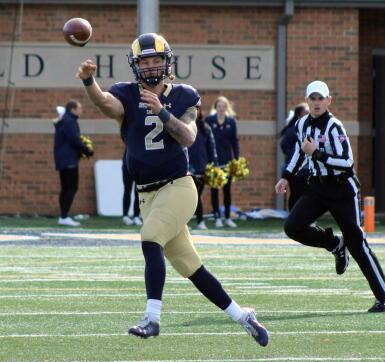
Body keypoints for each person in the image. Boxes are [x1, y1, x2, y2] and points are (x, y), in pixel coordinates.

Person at [76, 32, 268, 345]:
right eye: (145, 61)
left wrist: (162, 112)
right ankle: (242, 316)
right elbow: (106, 105)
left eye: (156, 60)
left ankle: (152, 318)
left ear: (167, 62)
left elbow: (189, 136)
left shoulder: (184, 95)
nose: (151, 66)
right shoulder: (126, 93)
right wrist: (89, 82)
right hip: (147, 196)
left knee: (150, 237)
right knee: (192, 268)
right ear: (136, 65)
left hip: (179, 187)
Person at [275, 80, 385, 312]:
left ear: (329, 100)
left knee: (357, 243)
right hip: (317, 187)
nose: (317, 102)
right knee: (293, 226)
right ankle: (335, 245)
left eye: (321, 98)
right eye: (313, 98)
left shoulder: (334, 126)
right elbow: (300, 154)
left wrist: (317, 153)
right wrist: (286, 176)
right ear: (307, 101)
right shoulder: (301, 124)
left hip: (342, 189)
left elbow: (347, 163)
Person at [53, 99, 93, 227]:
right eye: (79, 108)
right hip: (68, 160)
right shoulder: (69, 121)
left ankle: (63, 216)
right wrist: (87, 150)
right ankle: (64, 216)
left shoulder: (66, 120)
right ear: (73, 109)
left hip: (64, 159)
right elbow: (74, 139)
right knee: (71, 188)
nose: (81, 110)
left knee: (66, 189)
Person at [206, 96, 239, 228]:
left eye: (223, 106)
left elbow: (234, 142)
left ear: (226, 108)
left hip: (227, 160)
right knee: (214, 190)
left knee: (227, 190)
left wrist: (236, 158)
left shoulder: (231, 122)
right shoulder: (209, 121)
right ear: (215, 107)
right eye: (219, 106)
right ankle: (217, 217)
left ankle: (227, 217)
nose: (221, 108)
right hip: (213, 161)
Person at [189, 108, 218, 230]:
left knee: (196, 195)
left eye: (196, 110)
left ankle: (200, 221)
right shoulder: (182, 125)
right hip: (186, 167)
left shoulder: (205, 128)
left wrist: (213, 165)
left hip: (202, 168)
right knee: (189, 195)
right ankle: (186, 222)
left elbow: (212, 148)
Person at [280, 102, 309, 210]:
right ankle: (292, 215)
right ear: (299, 115)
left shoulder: (310, 129)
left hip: (308, 168)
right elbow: (284, 144)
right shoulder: (293, 130)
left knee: (307, 195)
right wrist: (293, 157)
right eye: (305, 112)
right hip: (296, 169)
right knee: (296, 193)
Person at [121, 148, 142, 226]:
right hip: (127, 167)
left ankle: (136, 216)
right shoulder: (130, 140)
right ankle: (125, 215)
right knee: (127, 190)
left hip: (138, 167)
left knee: (138, 192)